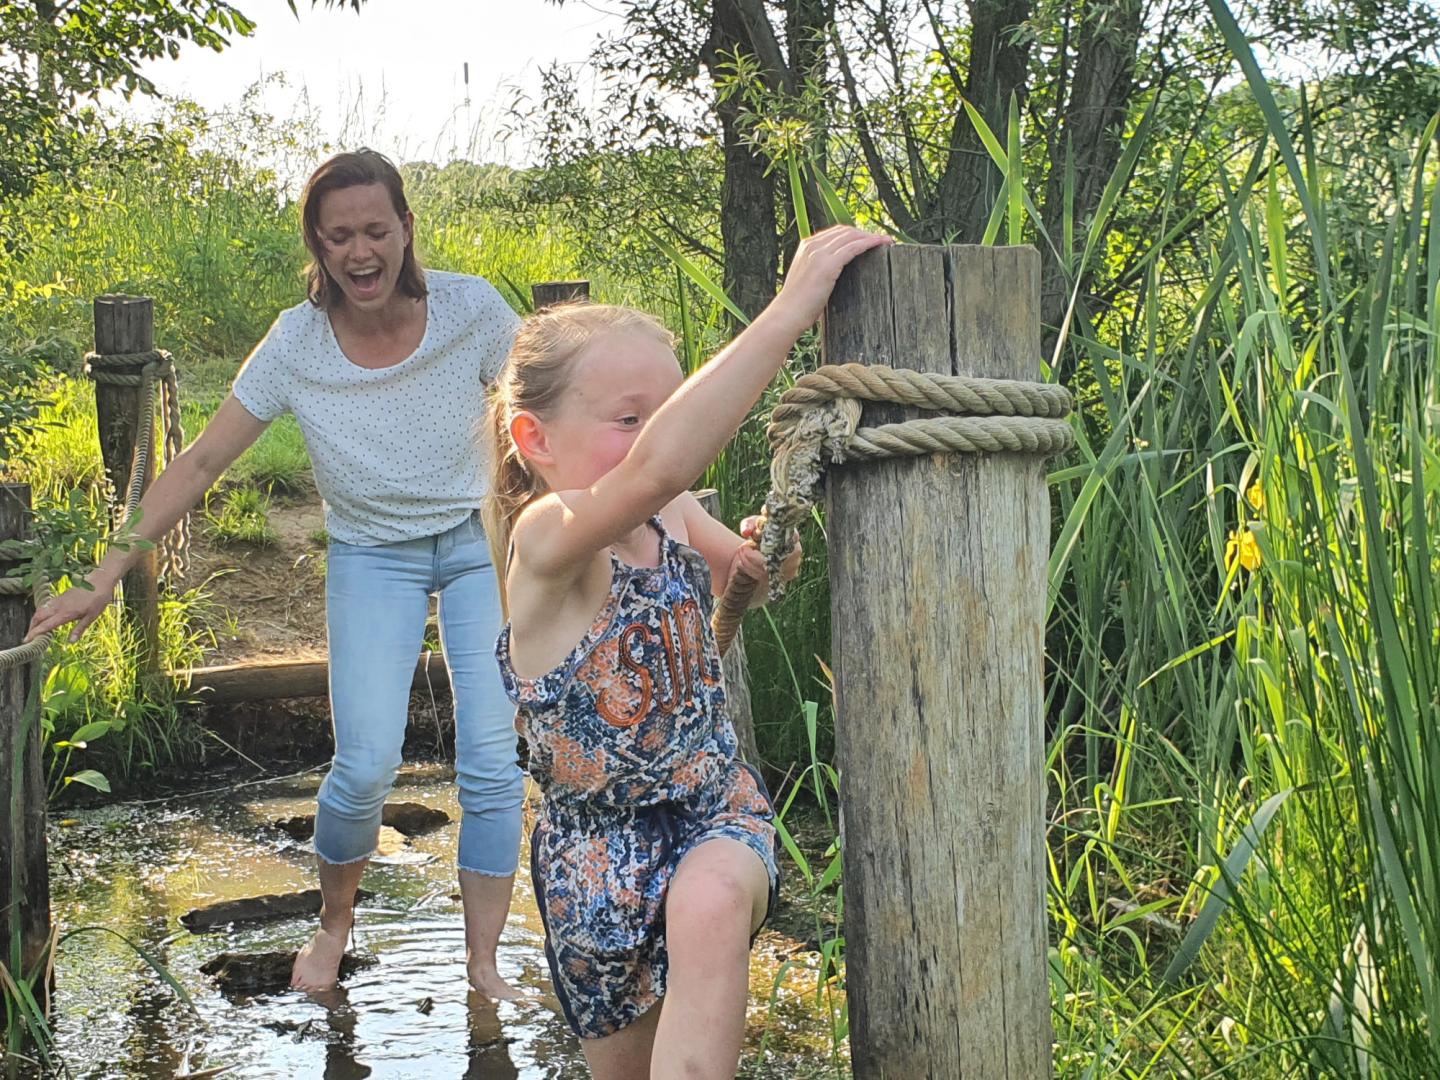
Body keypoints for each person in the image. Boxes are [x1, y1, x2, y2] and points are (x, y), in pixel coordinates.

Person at [25, 149, 526, 996]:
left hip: (481, 542)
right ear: (318, 247)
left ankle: (482, 964)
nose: (361, 252)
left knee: (489, 758)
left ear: (406, 228)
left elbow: (549, 414)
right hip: (372, 553)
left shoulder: (472, 310)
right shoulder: (298, 343)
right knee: (365, 763)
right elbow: (201, 462)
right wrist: (107, 572)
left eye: (376, 229)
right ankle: (334, 925)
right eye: (340, 237)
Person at [483, 224, 892, 1079]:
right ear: (536, 440)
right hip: (589, 860)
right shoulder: (548, 541)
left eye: (663, 414)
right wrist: (787, 313)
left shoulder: (666, 516)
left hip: (711, 809)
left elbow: (745, 571)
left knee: (708, 905)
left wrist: (767, 554)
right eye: (631, 419)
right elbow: (660, 468)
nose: (655, 437)